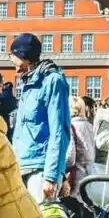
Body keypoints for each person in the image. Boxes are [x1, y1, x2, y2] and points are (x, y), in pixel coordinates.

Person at [8, 33, 70, 203]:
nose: (11, 60)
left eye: (12, 55)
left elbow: (59, 131)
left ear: (23, 55)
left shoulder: (53, 81)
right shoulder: (28, 84)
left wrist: (51, 176)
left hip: (40, 169)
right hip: (22, 167)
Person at [64, 95, 97, 199]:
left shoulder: (70, 127)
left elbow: (70, 158)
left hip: (76, 179)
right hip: (91, 176)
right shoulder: (91, 127)